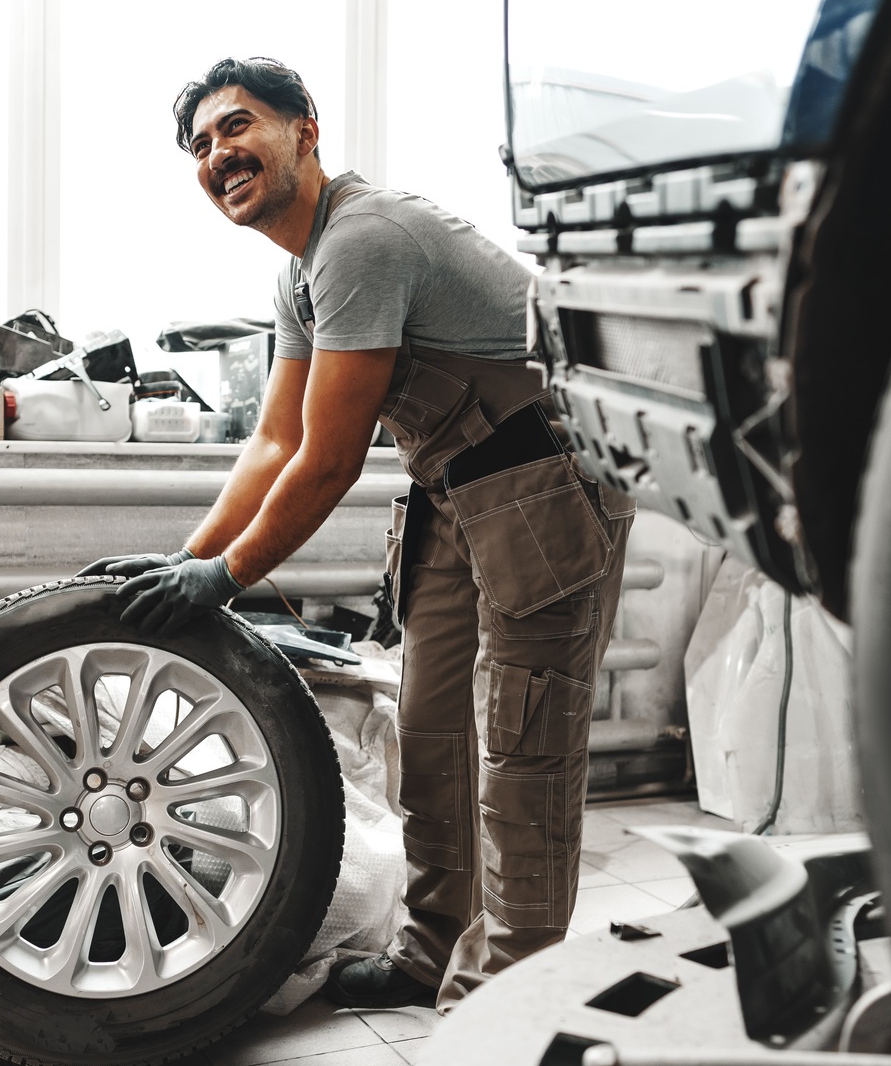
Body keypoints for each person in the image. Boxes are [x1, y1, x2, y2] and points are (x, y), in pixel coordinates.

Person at [82, 57, 634, 1013]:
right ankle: (430, 951)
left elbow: (329, 461)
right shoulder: (300, 274)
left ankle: (504, 1001)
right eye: (201, 144)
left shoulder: (364, 240)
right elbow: (276, 440)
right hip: (457, 489)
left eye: (237, 126)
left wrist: (226, 577)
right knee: (428, 731)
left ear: (306, 129)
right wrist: (189, 561)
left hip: (545, 483)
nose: (218, 154)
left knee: (523, 746)